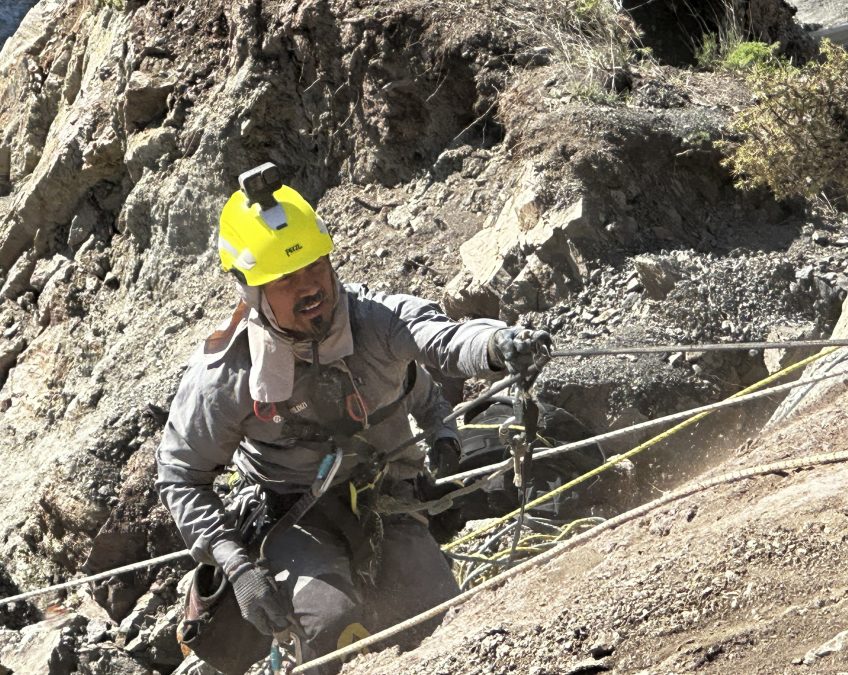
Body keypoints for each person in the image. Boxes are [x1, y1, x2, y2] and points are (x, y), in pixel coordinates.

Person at [155, 163, 551, 674]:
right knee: (334, 632)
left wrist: (499, 344)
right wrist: (236, 565)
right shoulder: (226, 376)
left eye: (316, 267)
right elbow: (182, 475)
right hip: (297, 521)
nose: (310, 287)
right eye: (287, 279)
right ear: (251, 291)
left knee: (439, 620)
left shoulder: (376, 322)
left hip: (390, 500)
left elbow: (444, 340)